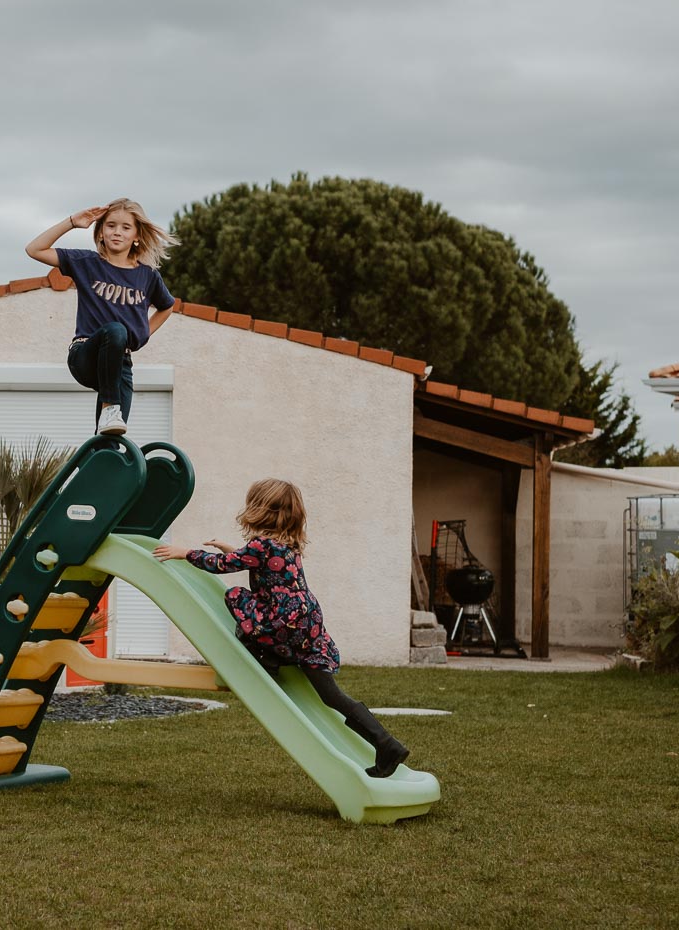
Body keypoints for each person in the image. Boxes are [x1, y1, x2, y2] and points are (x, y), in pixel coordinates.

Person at [153, 478, 411, 778]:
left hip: (282, 624)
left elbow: (224, 566)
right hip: (307, 623)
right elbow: (256, 562)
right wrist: (233, 550)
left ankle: (268, 657)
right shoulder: (287, 546)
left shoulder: (260, 545)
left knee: (235, 596)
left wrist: (185, 553)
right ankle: (386, 744)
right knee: (331, 696)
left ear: (259, 509)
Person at [25, 198, 177, 436]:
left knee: (110, 440)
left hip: (121, 364)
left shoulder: (147, 277)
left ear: (136, 236)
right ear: (101, 232)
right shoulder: (86, 263)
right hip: (86, 355)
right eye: (111, 226)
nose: (117, 232)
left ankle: (96, 461)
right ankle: (109, 407)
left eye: (126, 227)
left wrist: (143, 333)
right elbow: (34, 249)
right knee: (116, 330)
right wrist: (72, 222)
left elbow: (167, 307)